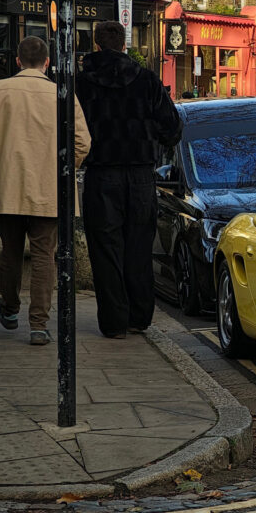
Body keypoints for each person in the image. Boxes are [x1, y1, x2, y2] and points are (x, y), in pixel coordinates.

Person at [76, 22, 182, 339]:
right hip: (140, 175)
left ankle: (114, 322)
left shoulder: (81, 83)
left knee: (105, 250)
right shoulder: (147, 80)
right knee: (138, 246)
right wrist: (150, 140)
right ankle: (138, 316)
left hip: (100, 174)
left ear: (96, 45)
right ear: (124, 45)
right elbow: (172, 128)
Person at [0, 38, 91, 345]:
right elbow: (83, 142)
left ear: (18, 61)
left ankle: (9, 309)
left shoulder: (1, 91)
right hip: (50, 189)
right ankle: (38, 325)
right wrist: (61, 169)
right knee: (44, 256)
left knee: (10, 252)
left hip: (7, 187)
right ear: (47, 63)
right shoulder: (61, 94)